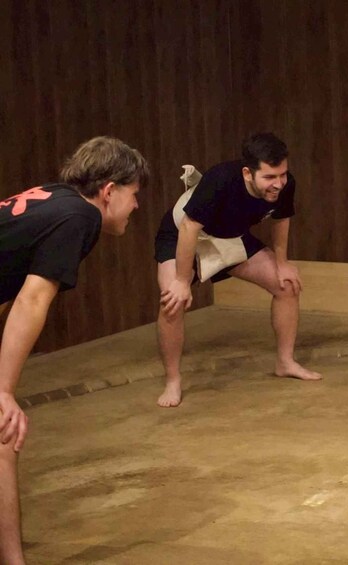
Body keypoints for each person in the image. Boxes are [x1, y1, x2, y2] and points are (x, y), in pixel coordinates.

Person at [0, 136, 148, 564]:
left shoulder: (56, 199)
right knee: (4, 431)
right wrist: (4, 390)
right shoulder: (80, 217)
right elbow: (31, 299)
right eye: (134, 194)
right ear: (109, 190)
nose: (136, 205)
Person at [154, 132, 320, 408]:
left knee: (287, 285)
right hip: (182, 234)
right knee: (172, 301)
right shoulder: (220, 180)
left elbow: (281, 219)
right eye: (269, 177)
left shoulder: (285, 184)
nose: (278, 183)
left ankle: (285, 362)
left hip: (230, 237)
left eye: (282, 174)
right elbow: (189, 227)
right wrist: (182, 281)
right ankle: (173, 380)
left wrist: (282, 263)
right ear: (247, 173)